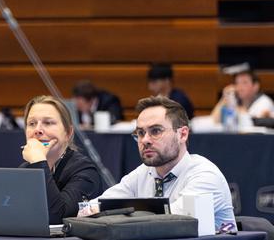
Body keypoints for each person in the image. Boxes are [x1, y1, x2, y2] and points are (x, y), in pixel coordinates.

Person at [91, 96, 235, 230]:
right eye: (140, 133)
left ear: (182, 134)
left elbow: (170, 223)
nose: (145, 140)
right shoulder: (144, 173)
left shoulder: (205, 175)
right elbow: (95, 207)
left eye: (156, 131)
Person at [20, 95, 102, 223]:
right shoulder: (26, 169)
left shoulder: (85, 171)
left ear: (68, 133)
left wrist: (39, 161)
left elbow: (56, 217)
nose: (37, 130)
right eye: (32, 123)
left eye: (48, 123)